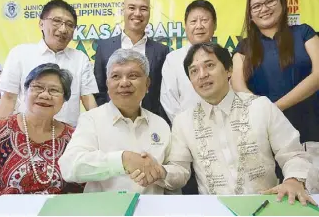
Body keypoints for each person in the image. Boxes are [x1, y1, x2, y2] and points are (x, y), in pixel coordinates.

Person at [130, 43, 317, 206]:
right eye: (194, 71)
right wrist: (161, 172)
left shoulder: (261, 106)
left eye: (209, 65)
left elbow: (293, 154)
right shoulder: (183, 122)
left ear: (228, 70)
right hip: (215, 210)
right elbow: (180, 171)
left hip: (266, 206)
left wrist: (293, 180)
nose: (202, 75)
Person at [231, 0, 319, 168]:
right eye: (256, 6)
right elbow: (238, 86)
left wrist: (273, 109)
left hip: (310, 129)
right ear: (251, 15)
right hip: (266, 134)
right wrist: (266, 114)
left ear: (283, 4)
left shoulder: (304, 32)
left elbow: (317, 75)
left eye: (270, 1)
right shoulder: (244, 47)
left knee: (310, 191)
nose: (264, 9)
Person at [59, 49, 171, 194]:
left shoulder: (160, 124)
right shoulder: (91, 119)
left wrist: (160, 172)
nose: (124, 83)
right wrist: (122, 160)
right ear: (107, 84)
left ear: (147, 83)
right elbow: (69, 167)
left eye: (133, 75)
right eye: (116, 76)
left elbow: (179, 172)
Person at [0, 63, 83, 196]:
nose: (45, 95)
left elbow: (79, 189)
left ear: (64, 100)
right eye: (37, 87)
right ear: (25, 92)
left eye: (54, 90)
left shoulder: (73, 137)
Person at [0, 0, 99, 127]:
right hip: (26, 136)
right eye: (56, 21)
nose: (63, 29)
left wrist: (100, 130)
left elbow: (88, 99)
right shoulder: (20, 53)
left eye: (69, 25)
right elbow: (8, 98)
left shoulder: (80, 58)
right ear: (41, 24)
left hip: (67, 138)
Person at [94, 0, 170, 123]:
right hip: (111, 124)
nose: (137, 13)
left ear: (149, 13)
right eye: (132, 7)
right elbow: (99, 90)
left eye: (143, 9)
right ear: (123, 10)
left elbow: (163, 94)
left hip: (149, 124)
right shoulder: (104, 47)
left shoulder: (161, 51)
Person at [161, 0, 217, 123]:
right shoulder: (173, 59)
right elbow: (168, 100)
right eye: (193, 21)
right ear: (185, 27)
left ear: (214, 26)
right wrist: (186, 128)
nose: (199, 26)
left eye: (204, 20)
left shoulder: (224, 56)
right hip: (186, 131)